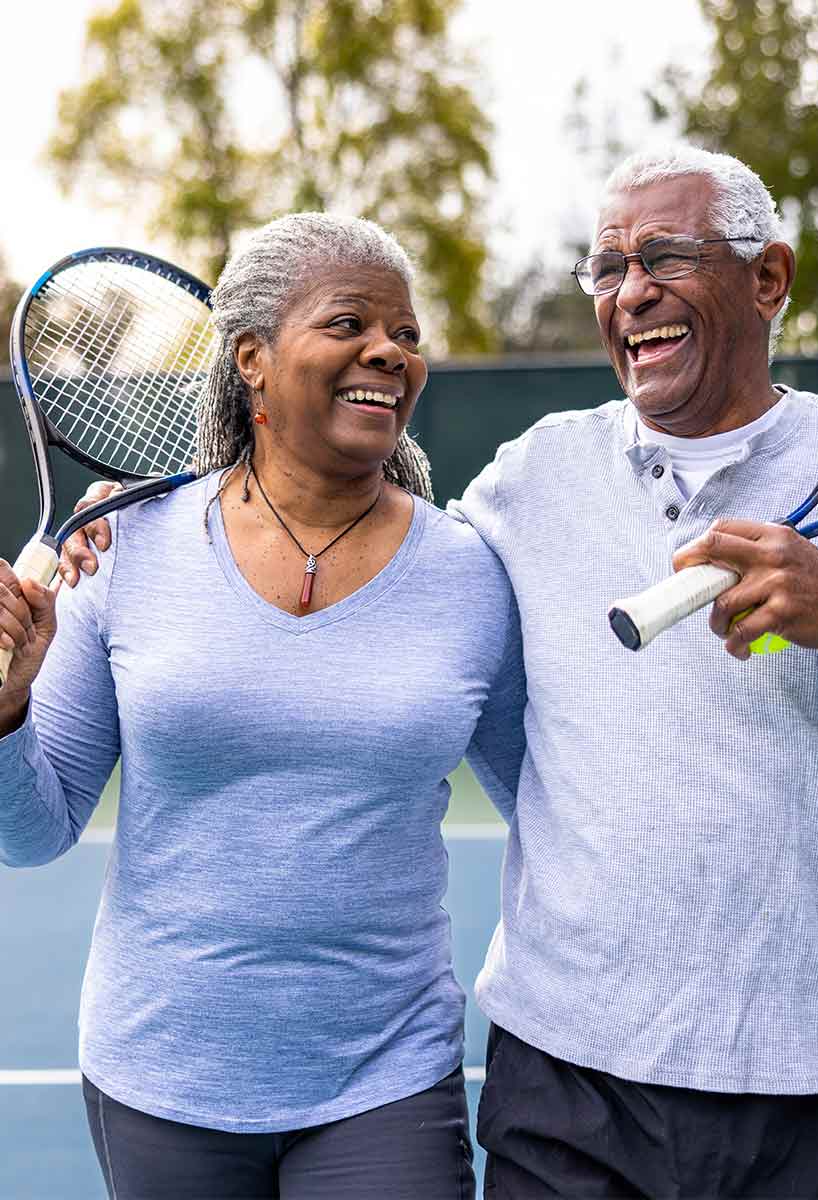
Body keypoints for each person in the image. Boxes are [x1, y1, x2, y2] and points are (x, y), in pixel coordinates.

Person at [441, 145, 818, 1199]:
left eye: (665, 256)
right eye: (608, 267)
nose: (631, 291)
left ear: (768, 278)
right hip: (568, 1085)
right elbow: (468, 691)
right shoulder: (530, 478)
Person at [0, 213, 525, 1200]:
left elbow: (559, 799)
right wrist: (7, 708)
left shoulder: (468, 574)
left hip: (388, 1081)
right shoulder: (126, 547)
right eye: (350, 323)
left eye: (407, 335)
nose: (389, 352)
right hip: (159, 1074)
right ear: (251, 358)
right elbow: (30, 833)